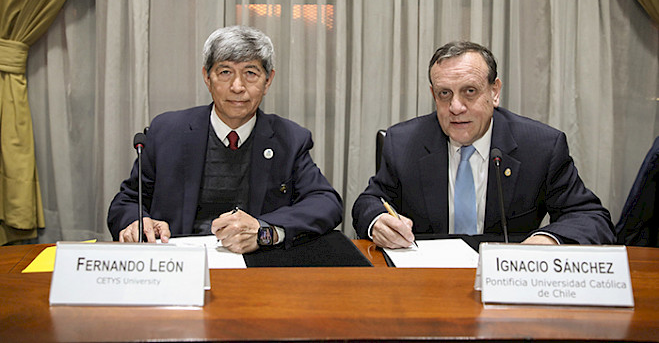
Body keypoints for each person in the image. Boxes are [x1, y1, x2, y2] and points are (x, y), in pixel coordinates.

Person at [352, 41, 615, 249]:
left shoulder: (540, 146)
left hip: (508, 283)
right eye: (445, 94)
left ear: (494, 91)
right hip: (427, 280)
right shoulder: (405, 142)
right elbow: (371, 201)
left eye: (470, 91)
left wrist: (546, 240)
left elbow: (590, 218)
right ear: (433, 95)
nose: (456, 107)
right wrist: (378, 221)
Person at [108, 25, 343, 253]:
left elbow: (326, 204)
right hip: (179, 265)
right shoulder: (166, 132)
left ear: (268, 81)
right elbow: (127, 201)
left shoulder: (289, 139)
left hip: (256, 270)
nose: (237, 86)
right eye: (225, 72)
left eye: (250, 73)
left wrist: (264, 232)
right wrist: (137, 222)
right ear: (207, 78)